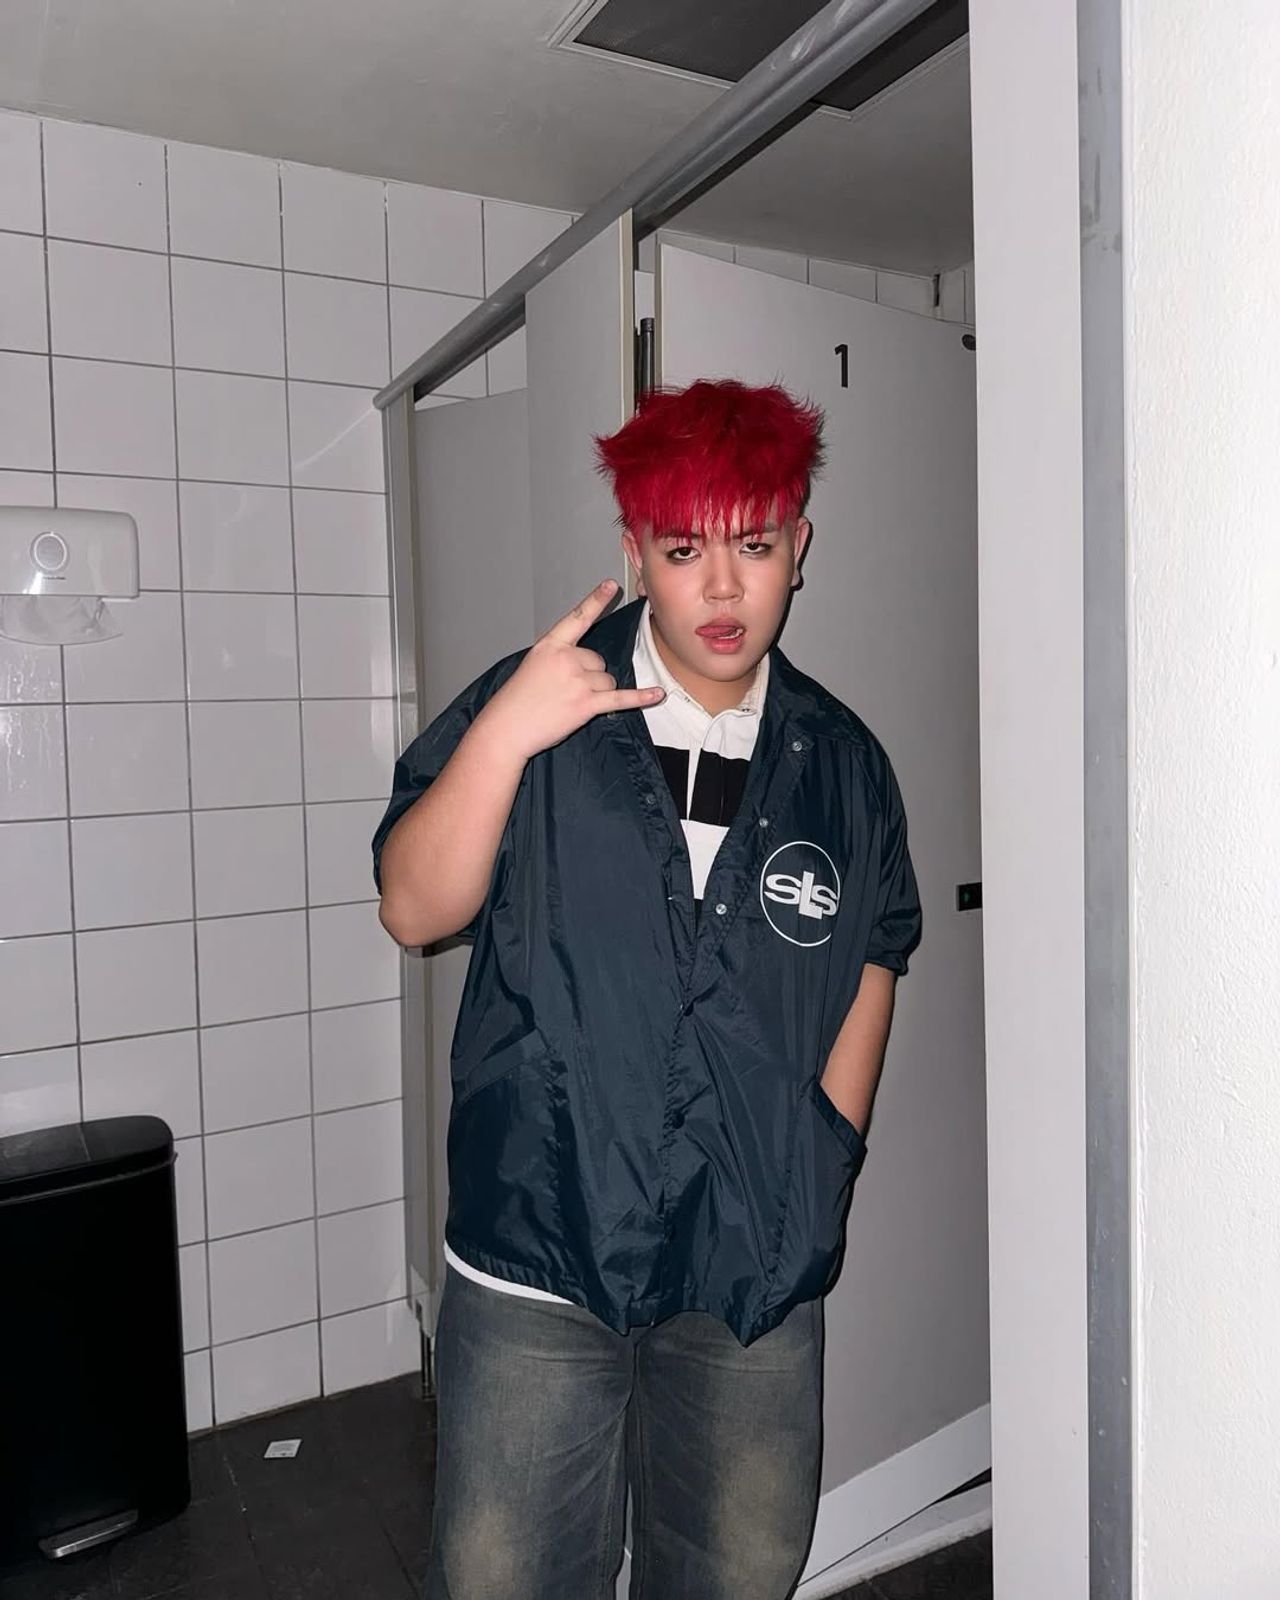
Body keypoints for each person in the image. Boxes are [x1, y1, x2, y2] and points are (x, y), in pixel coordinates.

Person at [372, 378, 921, 1600]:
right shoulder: (539, 705)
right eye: (682, 551)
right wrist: (503, 732)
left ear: (798, 546)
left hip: (750, 1255)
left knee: (738, 1570)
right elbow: (413, 907)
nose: (721, 590)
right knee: (508, 1578)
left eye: (753, 546)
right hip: (538, 1243)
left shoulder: (842, 763)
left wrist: (821, 1160)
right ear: (634, 551)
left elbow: (876, 952)